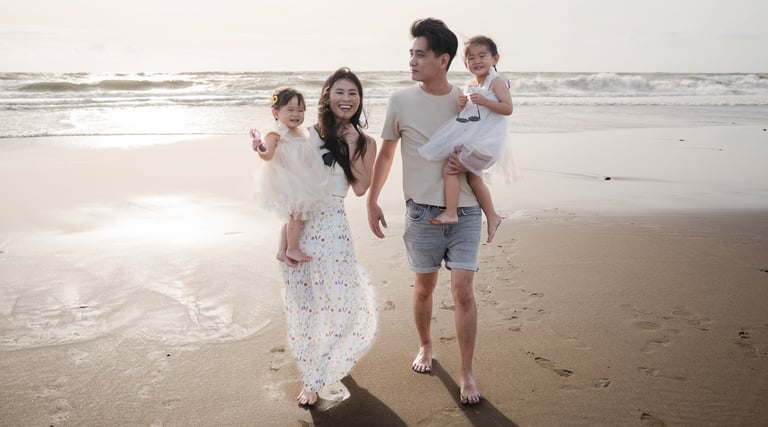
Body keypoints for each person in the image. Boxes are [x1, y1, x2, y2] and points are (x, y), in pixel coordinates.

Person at [366, 18, 483, 405]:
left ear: (443, 60)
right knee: (424, 287)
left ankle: (466, 373)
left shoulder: (467, 100)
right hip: (421, 213)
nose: (412, 61)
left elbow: (488, 148)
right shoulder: (400, 101)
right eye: (411, 54)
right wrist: (372, 199)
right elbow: (386, 155)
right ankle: (426, 345)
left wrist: (471, 162)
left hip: (465, 211)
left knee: (463, 290)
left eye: (420, 55)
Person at [278, 68, 378, 407]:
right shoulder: (305, 135)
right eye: (340, 92)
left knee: (342, 305)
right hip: (303, 227)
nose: (346, 99)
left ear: (360, 99)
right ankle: (313, 378)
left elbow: (361, 188)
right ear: (327, 96)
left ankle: (327, 364)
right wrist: (284, 243)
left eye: (353, 93)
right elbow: (289, 187)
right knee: (307, 306)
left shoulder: (366, 142)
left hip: (334, 230)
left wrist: (351, 145)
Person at [418, 35, 512, 243]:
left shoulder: (496, 82)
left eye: (482, 56)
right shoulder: (471, 85)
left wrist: (485, 102)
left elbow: (507, 108)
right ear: (465, 63)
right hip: (477, 140)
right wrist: (463, 106)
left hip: (487, 143)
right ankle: (492, 215)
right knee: (473, 178)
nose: (476, 61)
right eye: (471, 58)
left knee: (450, 169)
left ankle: (451, 212)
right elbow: (472, 116)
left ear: (495, 58)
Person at [250, 86, 330, 266]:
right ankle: (292, 248)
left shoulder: (300, 132)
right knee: (297, 214)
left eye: (300, 110)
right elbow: (268, 155)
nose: (296, 114)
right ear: (275, 112)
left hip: (300, 178)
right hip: (286, 179)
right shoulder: (275, 133)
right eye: (290, 110)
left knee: (291, 217)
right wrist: (260, 148)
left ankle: (282, 251)